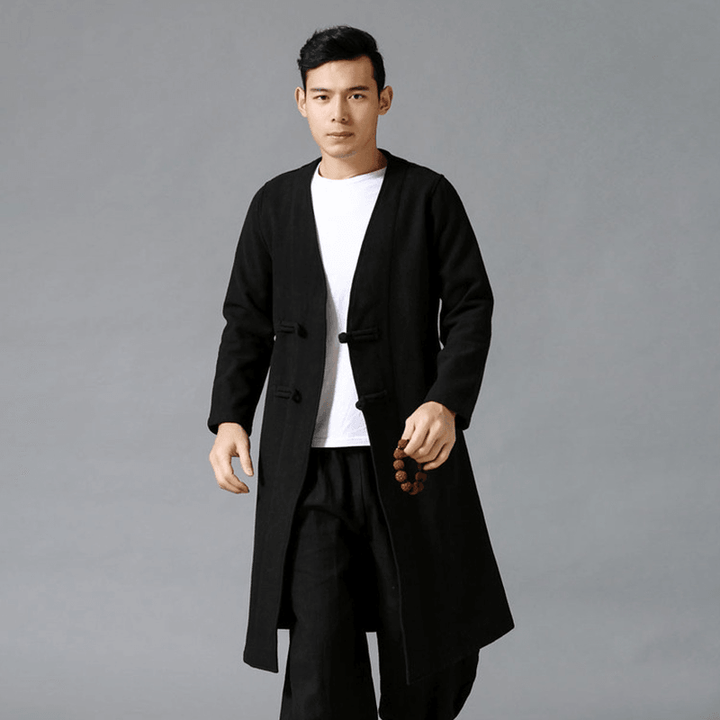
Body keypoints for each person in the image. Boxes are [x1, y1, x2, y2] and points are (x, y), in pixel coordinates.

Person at [208, 25, 513, 720]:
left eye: (355, 95)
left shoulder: (426, 196)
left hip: (405, 457)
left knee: (426, 650)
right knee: (319, 663)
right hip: (306, 467)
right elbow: (245, 321)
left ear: (384, 99)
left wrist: (445, 402)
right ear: (301, 102)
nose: (339, 113)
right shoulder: (275, 204)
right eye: (323, 97)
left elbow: (471, 306)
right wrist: (229, 417)